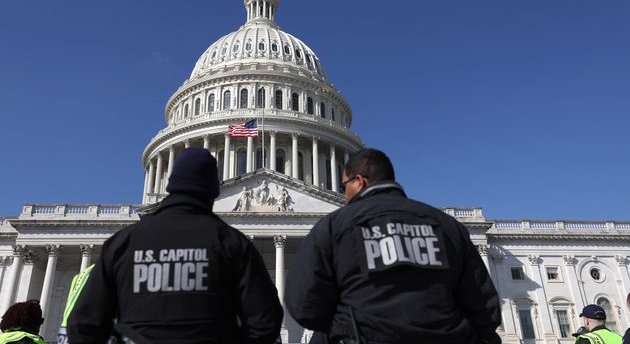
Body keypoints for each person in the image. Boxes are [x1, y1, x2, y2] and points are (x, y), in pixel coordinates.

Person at [67, 147, 283, 344]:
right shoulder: (232, 243)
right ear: (214, 190)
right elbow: (266, 321)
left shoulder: (123, 243)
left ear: (171, 184)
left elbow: (84, 323)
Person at [285, 148, 501, 344]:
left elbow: (303, 305)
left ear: (359, 181)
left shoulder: (333, 226)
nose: (343, 195)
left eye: (344, 187)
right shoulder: (447, 226)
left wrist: (342, 323)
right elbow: (484, 307)